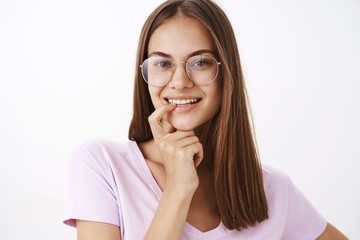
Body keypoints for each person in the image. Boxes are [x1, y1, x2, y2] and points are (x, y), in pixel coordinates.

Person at [63, 0, 348, 239]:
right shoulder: (102, 164)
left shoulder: (272, 189)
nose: (179, 82)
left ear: (226, 72)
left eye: (200, 62)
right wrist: (178, 188)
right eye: (162, 63)